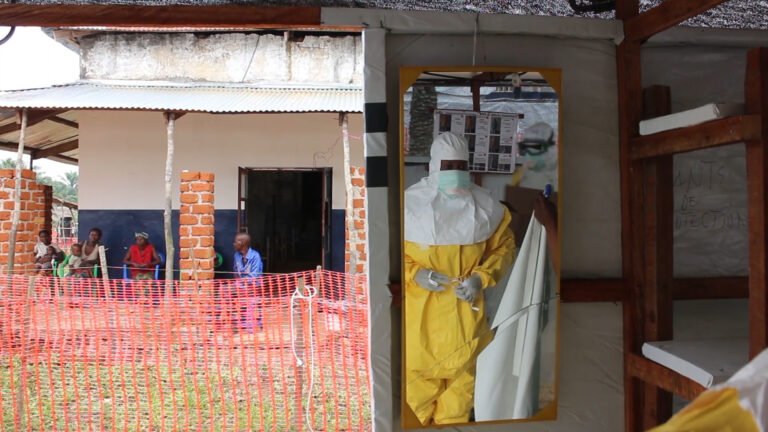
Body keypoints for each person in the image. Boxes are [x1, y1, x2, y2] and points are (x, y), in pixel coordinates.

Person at [404, 132, 516, 426]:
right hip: (421, 328)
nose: (454, 171)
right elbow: (390, 253)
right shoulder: (408, 207)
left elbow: (504, 248)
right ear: (434, 165)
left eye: (459, 164)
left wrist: (481, 277)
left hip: (467, 324)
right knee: (415, 407)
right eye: (447, 164)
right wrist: (416, 273)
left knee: (458, 407)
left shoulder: (488, 209)